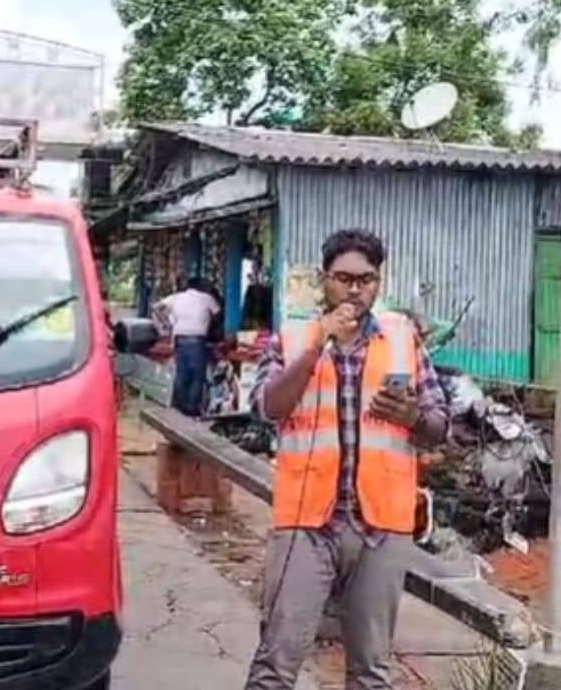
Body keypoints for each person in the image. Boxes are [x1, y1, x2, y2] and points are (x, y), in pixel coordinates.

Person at [244, 229, 448, 690]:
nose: (355, 290)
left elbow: (441, 427)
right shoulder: (294, 337)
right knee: (275, 663)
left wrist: (413, 414)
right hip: (306, 521)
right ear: (324, 281)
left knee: (372, 673)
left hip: (381, 527)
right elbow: (269, 407)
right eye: (343, 279)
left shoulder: (402, 339)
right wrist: (319, 343)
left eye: (366, 280)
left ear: (379, 283)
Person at [153, 276, 221, 417]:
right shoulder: (206, 298)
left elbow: (157, 306)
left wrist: (167, 321)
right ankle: (191, 409)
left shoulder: (177, 298)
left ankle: (178, 407)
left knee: (182, 374)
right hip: (197, 340)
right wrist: (208, 323)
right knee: (197, 375)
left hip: (180, 340)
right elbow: (218, 313)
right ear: (201, 286)